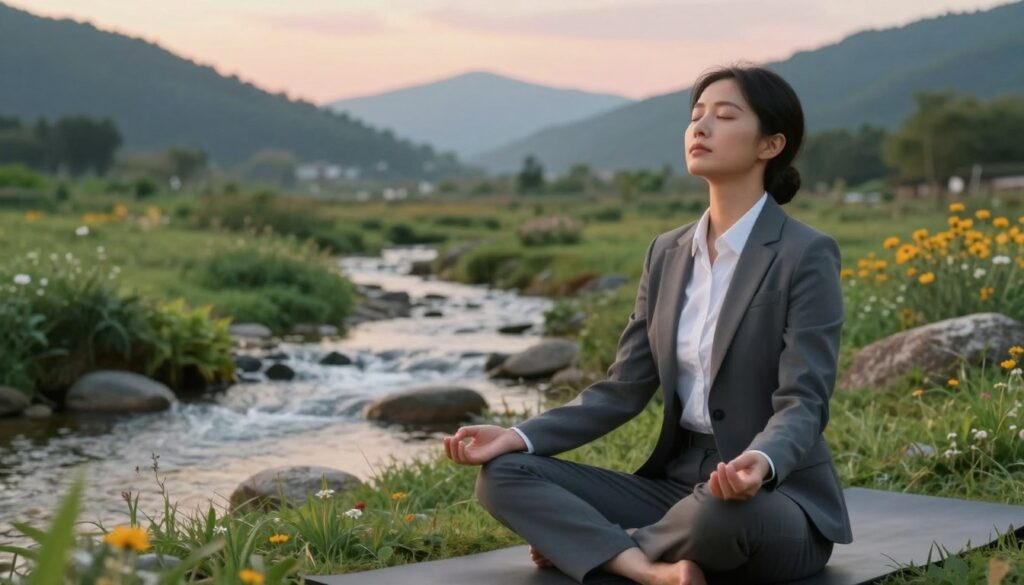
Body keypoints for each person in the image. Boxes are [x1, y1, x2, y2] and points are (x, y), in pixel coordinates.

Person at [442, 63, 853, 585]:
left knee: (721, 515)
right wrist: (518, 436)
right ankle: (644, 567)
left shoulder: (805, 253)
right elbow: (621, 390)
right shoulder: (667, 252)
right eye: (696, 115)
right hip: (673, 488)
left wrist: (762, 460)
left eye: (724, 116)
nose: (700, 127)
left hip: (771, 496)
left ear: (770, 145)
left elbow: (804, 400)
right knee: (502, 477)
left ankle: (595, 544)